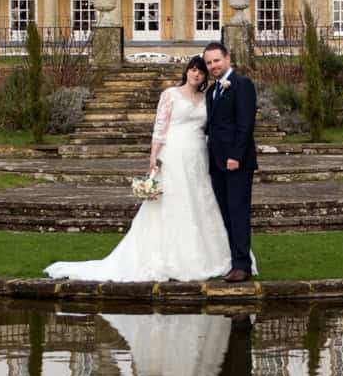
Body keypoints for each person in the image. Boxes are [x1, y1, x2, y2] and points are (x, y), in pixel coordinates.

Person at [44, 56, 233, 282]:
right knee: (173, 201)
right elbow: (160, 126)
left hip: (198, 154)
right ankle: (169, 257)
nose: (196, 75)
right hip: (173, 152)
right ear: (186, 72)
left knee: (199, 200)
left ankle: (209, 255)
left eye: (201, 72)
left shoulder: (207, 97)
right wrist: (154, 154)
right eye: (193, 70)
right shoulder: (170, 94)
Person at [203, 41, 258, 282]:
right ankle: (233, 260)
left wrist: (235, 156)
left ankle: (242, 266)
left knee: (238, 212)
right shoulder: (212, 90)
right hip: (216, 163)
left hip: (237, 162)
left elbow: (245, 125)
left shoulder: (242, 84)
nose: (213, 66)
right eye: (209, 63)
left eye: (216, 60)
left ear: (227, 59)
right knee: (225, 213)